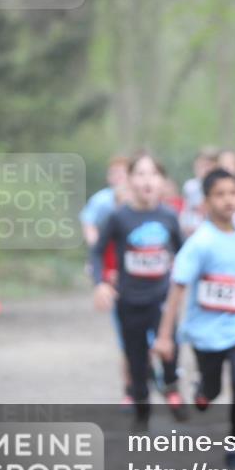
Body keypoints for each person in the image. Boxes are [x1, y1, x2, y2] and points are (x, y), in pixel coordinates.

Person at [154, 168, 235, 469]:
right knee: (211, 390)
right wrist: (164, 337)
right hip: (205, 331)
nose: (228, 200)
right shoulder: (200, 243)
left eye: (232, 193)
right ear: (207, 201)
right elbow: (177, 289)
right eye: (219, 194)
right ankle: (203, 391)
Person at [92, 152, 186, 431]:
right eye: (140, 174)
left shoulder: (169, 216)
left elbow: (185, 254)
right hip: (129, 300)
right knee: (136, 358)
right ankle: (142, 410)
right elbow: (97, 253)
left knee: (170, 349)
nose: (147, 180)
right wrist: (100, 283)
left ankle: (171, 388)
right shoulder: (118, 217)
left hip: (162, 299)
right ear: (130, 180)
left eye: (153, 174)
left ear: (162, 181)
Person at [80, 155, 129, 247]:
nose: (118, 176)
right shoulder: (100, 199)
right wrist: (97, 249)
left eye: (122, 172)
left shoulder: (140, 197)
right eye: (113, 173)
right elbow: (88, 224)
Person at [180, 147, 218, 238]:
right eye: (201, 165)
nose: (205, 169)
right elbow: (186, 210)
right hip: (193, 232)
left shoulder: (219, 188)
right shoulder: (190, 186)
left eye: (208, 165)